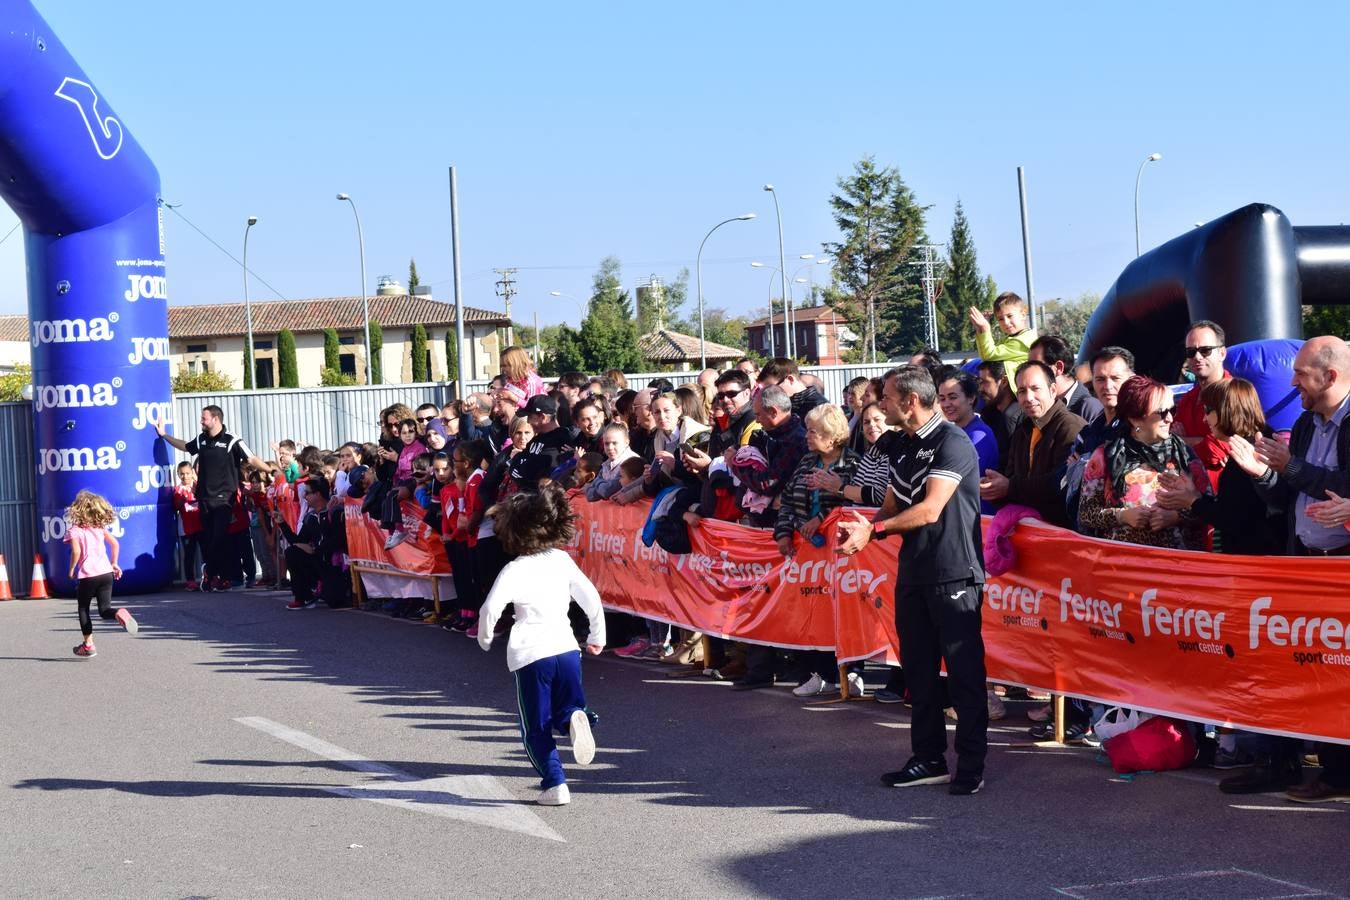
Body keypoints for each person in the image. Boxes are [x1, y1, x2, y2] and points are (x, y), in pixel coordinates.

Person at [837, 365, 988, 796]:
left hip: (955, 571)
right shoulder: (900, 445)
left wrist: (875, 532)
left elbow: (929, 509)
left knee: (963, 675)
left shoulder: (953, 442)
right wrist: (864, 527)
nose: (880, 406)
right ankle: (928, 758)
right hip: (914, 573)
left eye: (885, 398)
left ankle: (972, 764)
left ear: (910, 402)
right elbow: (891, 503)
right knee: (918, 672)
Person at [1237, 336, 1350, 803]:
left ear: (1331, 376)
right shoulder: (1304, 423)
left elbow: (1341, 487)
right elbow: (1289, 498)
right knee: (1317, 672)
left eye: (1301, 373)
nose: (1292, 382)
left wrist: (1294, 467)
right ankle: (1331, 772)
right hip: (1305, 566)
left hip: (1342, 570)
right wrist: (1262, 474)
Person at [477, 482, 605, 807]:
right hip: (567, 648)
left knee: (535, 727)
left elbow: (490, 608)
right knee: (567, 706)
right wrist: (596, 636)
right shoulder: (561, 560)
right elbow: (590, 597)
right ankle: (577, 716)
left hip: (531, 654)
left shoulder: (514, 569)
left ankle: (555, 784)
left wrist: (486, 636)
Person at [774, 404, 862, 698]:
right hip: (807, 554)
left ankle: (852, 672)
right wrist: (784, 532)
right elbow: (787, 500)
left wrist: (821, 519)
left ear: (831, 434)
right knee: (812, 611)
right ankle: (817, 673)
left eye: (813, 431)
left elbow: (855, 506)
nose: (807, 436)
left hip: (841, 553)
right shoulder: (806, 461)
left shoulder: (853, 464)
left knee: (846, 610)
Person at [1077, 374, 1209, 550]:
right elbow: (1086, 514)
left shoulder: (1183, 453)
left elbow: (1210, 509)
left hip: (1179, 566)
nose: (1170, 418)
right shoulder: (1105, 456)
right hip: (1125, 566)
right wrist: (1122, 516)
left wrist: (1177, 516)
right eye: (1162, 413)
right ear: (1135, 418)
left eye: (1172, 410)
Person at [155, 405, 266, 592]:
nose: (201, 421)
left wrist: (270, 469)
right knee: (211, 541)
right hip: (204, 498)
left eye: (204, 418)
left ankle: (211, 571)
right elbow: (185, 446)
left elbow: (251, 458)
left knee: (220, 536)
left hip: (224, 499)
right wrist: (164, 435)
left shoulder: (232, 440)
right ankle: (220, 577)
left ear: (215, 419)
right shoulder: (201, 439)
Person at [978, 361, 1085, 526]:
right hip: (1028, 530)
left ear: (1053, 390)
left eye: (1035, 389)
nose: (1028, 398)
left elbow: (1061, 483)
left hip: (1060, 534)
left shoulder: (1070, 427)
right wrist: (994, 488)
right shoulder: (1023, 430)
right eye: (1021, 391)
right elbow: (1012, 477)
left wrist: (1009, 487)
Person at [64, 490, 137, 657]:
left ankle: (88, 645)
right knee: (105, 610)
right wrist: (114, 563)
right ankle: (118, 612)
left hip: (88, 575)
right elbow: (115, 544)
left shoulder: (75, 530)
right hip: (106, 573)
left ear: (77, 509)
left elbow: (76, 551)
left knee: (83, 608)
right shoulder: (99, 528)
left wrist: (71, 569)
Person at [1173, 320, 1232, 492]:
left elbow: (1215, 451)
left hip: (1222, 499)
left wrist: (1181, 440)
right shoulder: (1188, 398)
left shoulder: (1233, 395)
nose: (1197, 357)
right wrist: (1200, 441)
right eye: (1191, 352)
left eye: (1205, 350)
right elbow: (1168, 440)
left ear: (1222, 353)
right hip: (1189, 499)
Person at [937, 369, 999, 515]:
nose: (946, 404)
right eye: (942, 398)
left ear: (971, 398)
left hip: (976, 518)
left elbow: (959, 480)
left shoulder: (979, 434)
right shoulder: (954, 433)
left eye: (953, 397)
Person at [1028, 334, 1104, 422]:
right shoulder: (1037, 405)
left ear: (1058, 367)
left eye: (1036, 366)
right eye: (1029, 366)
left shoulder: (1088, 408)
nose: (1030, 372)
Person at [975, 360, 1024, 469]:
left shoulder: (1021, 417)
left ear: (1004, 381)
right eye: (979, 382)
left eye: (985, 382)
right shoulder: (988, 414)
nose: (980, 389)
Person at [969, 291, 1036, 368]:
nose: (1006, 322)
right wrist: (979, 329)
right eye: (1000, 319)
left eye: (1010, 316)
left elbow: (989, 356)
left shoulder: (1023, 341)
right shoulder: (1013, 338)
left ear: (1023, 315)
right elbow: (984, 356)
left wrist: (985, 329)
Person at [758, 357, 827, 419]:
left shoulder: (819, 408)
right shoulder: (786, 405)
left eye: (773, 388)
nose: (769, 395)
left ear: (790, 379)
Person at [587, 423, 639, 501]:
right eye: (606, 444)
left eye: (615, 443)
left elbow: (607, 492)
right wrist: (601, 486)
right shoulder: (607, 463)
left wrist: (596, 482)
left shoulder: (631, 462)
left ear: (626, 442)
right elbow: (590, 495)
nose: (610, 448)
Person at [173, 462, 203, 590]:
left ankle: (210, 577)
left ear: (192, 473)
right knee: (189, 555)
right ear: (178, 475)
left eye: (187, 473)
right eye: (182, 474)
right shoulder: (177, 490)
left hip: (202, 526)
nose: (185, 476)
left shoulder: (199, 486)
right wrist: (182, 500)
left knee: (206, 552)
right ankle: (190, 581)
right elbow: (175, 507)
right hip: (186, 529)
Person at [500, 346, 547, 410]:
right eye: (501, 366)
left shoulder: (532, 381)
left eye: (505, 365)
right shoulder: (509, 378)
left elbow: (533, 408)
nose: (503, 369)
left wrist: (513, 397)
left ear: (516, 364)